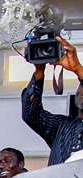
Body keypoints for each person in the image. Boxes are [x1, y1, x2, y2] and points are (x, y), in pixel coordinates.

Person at [22, 36, 83, 166]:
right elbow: (31, 114)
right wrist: (39, 70)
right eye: (81, 86)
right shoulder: (62, 126)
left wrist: (78, 69)